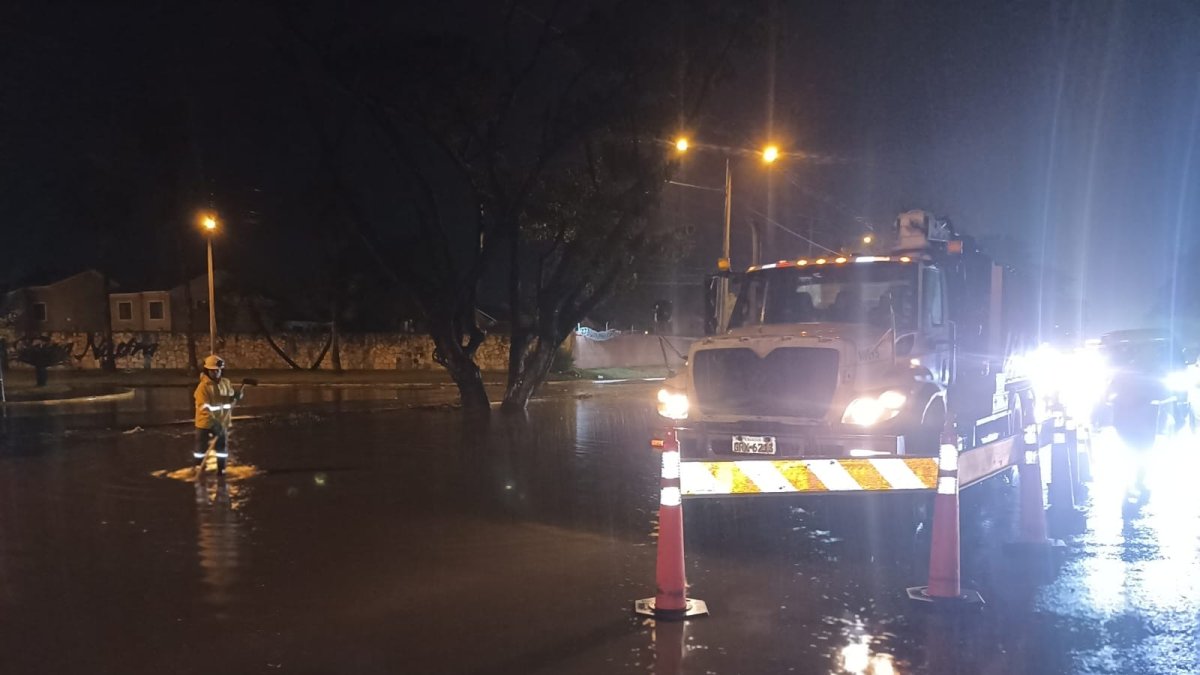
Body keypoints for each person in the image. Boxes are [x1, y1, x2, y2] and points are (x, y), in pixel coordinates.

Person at [193, 354, 242, 475]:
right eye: (213, 371)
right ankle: (199, 468)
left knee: (221, 448)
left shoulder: (226, 383)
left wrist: (236, 396)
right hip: (205, 423)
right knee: (201, 448)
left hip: (221, 422)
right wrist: (214, 423)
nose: (216, 373)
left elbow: (228, 398)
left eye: (218, 370)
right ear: (207, 371)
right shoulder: (203, 387)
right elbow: (204, 408)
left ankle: (221, 469)